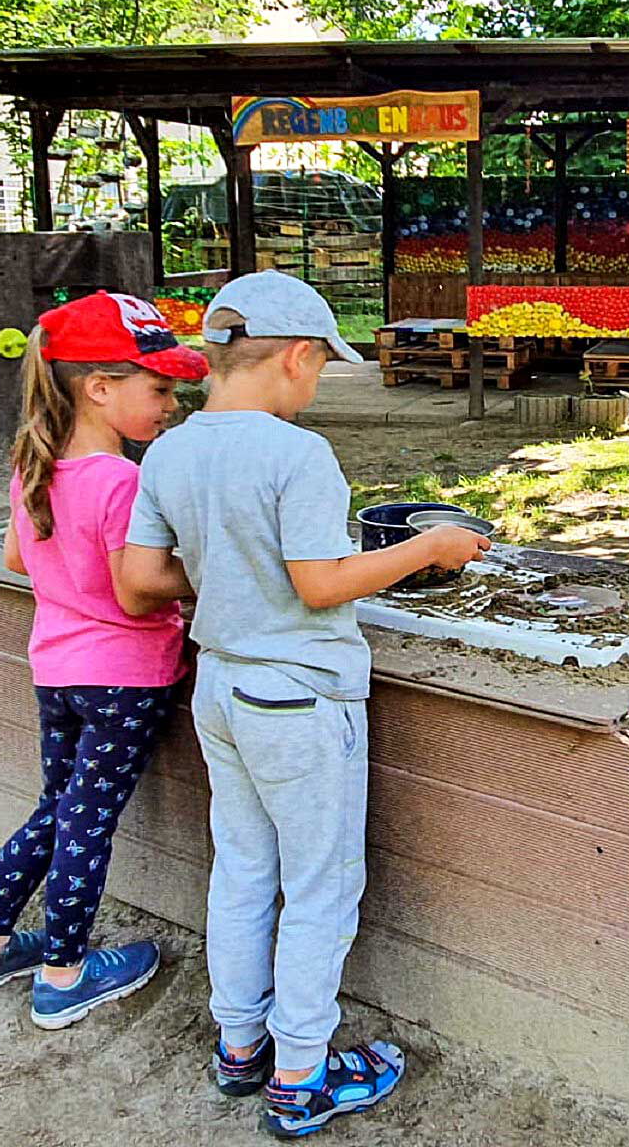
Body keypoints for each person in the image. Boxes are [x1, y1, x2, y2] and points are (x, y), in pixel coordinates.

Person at [120, 271, 489, 1137]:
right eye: (322, 366)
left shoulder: (170, 449)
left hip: (218, 687)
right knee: (322, 885)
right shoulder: (299, 454)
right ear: (294, 356)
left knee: (244, 868)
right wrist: (429, 547)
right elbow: (321, 585)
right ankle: (301, 1076)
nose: (318, 382)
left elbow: (140, 580)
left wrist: (229, 576)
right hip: (299, 697)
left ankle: (239, 1046)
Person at [0, 291, 209, 1029]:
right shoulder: (122, 480)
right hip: (126, 676)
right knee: (87, 824)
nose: (169, 405)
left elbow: (15, 556)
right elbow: (139, 590)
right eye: (158, 389)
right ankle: (64, 973)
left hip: (57, 669)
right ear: (100, 388)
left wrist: (74, 579)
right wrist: (211, 570)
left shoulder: (35, 465)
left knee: (58, 811)